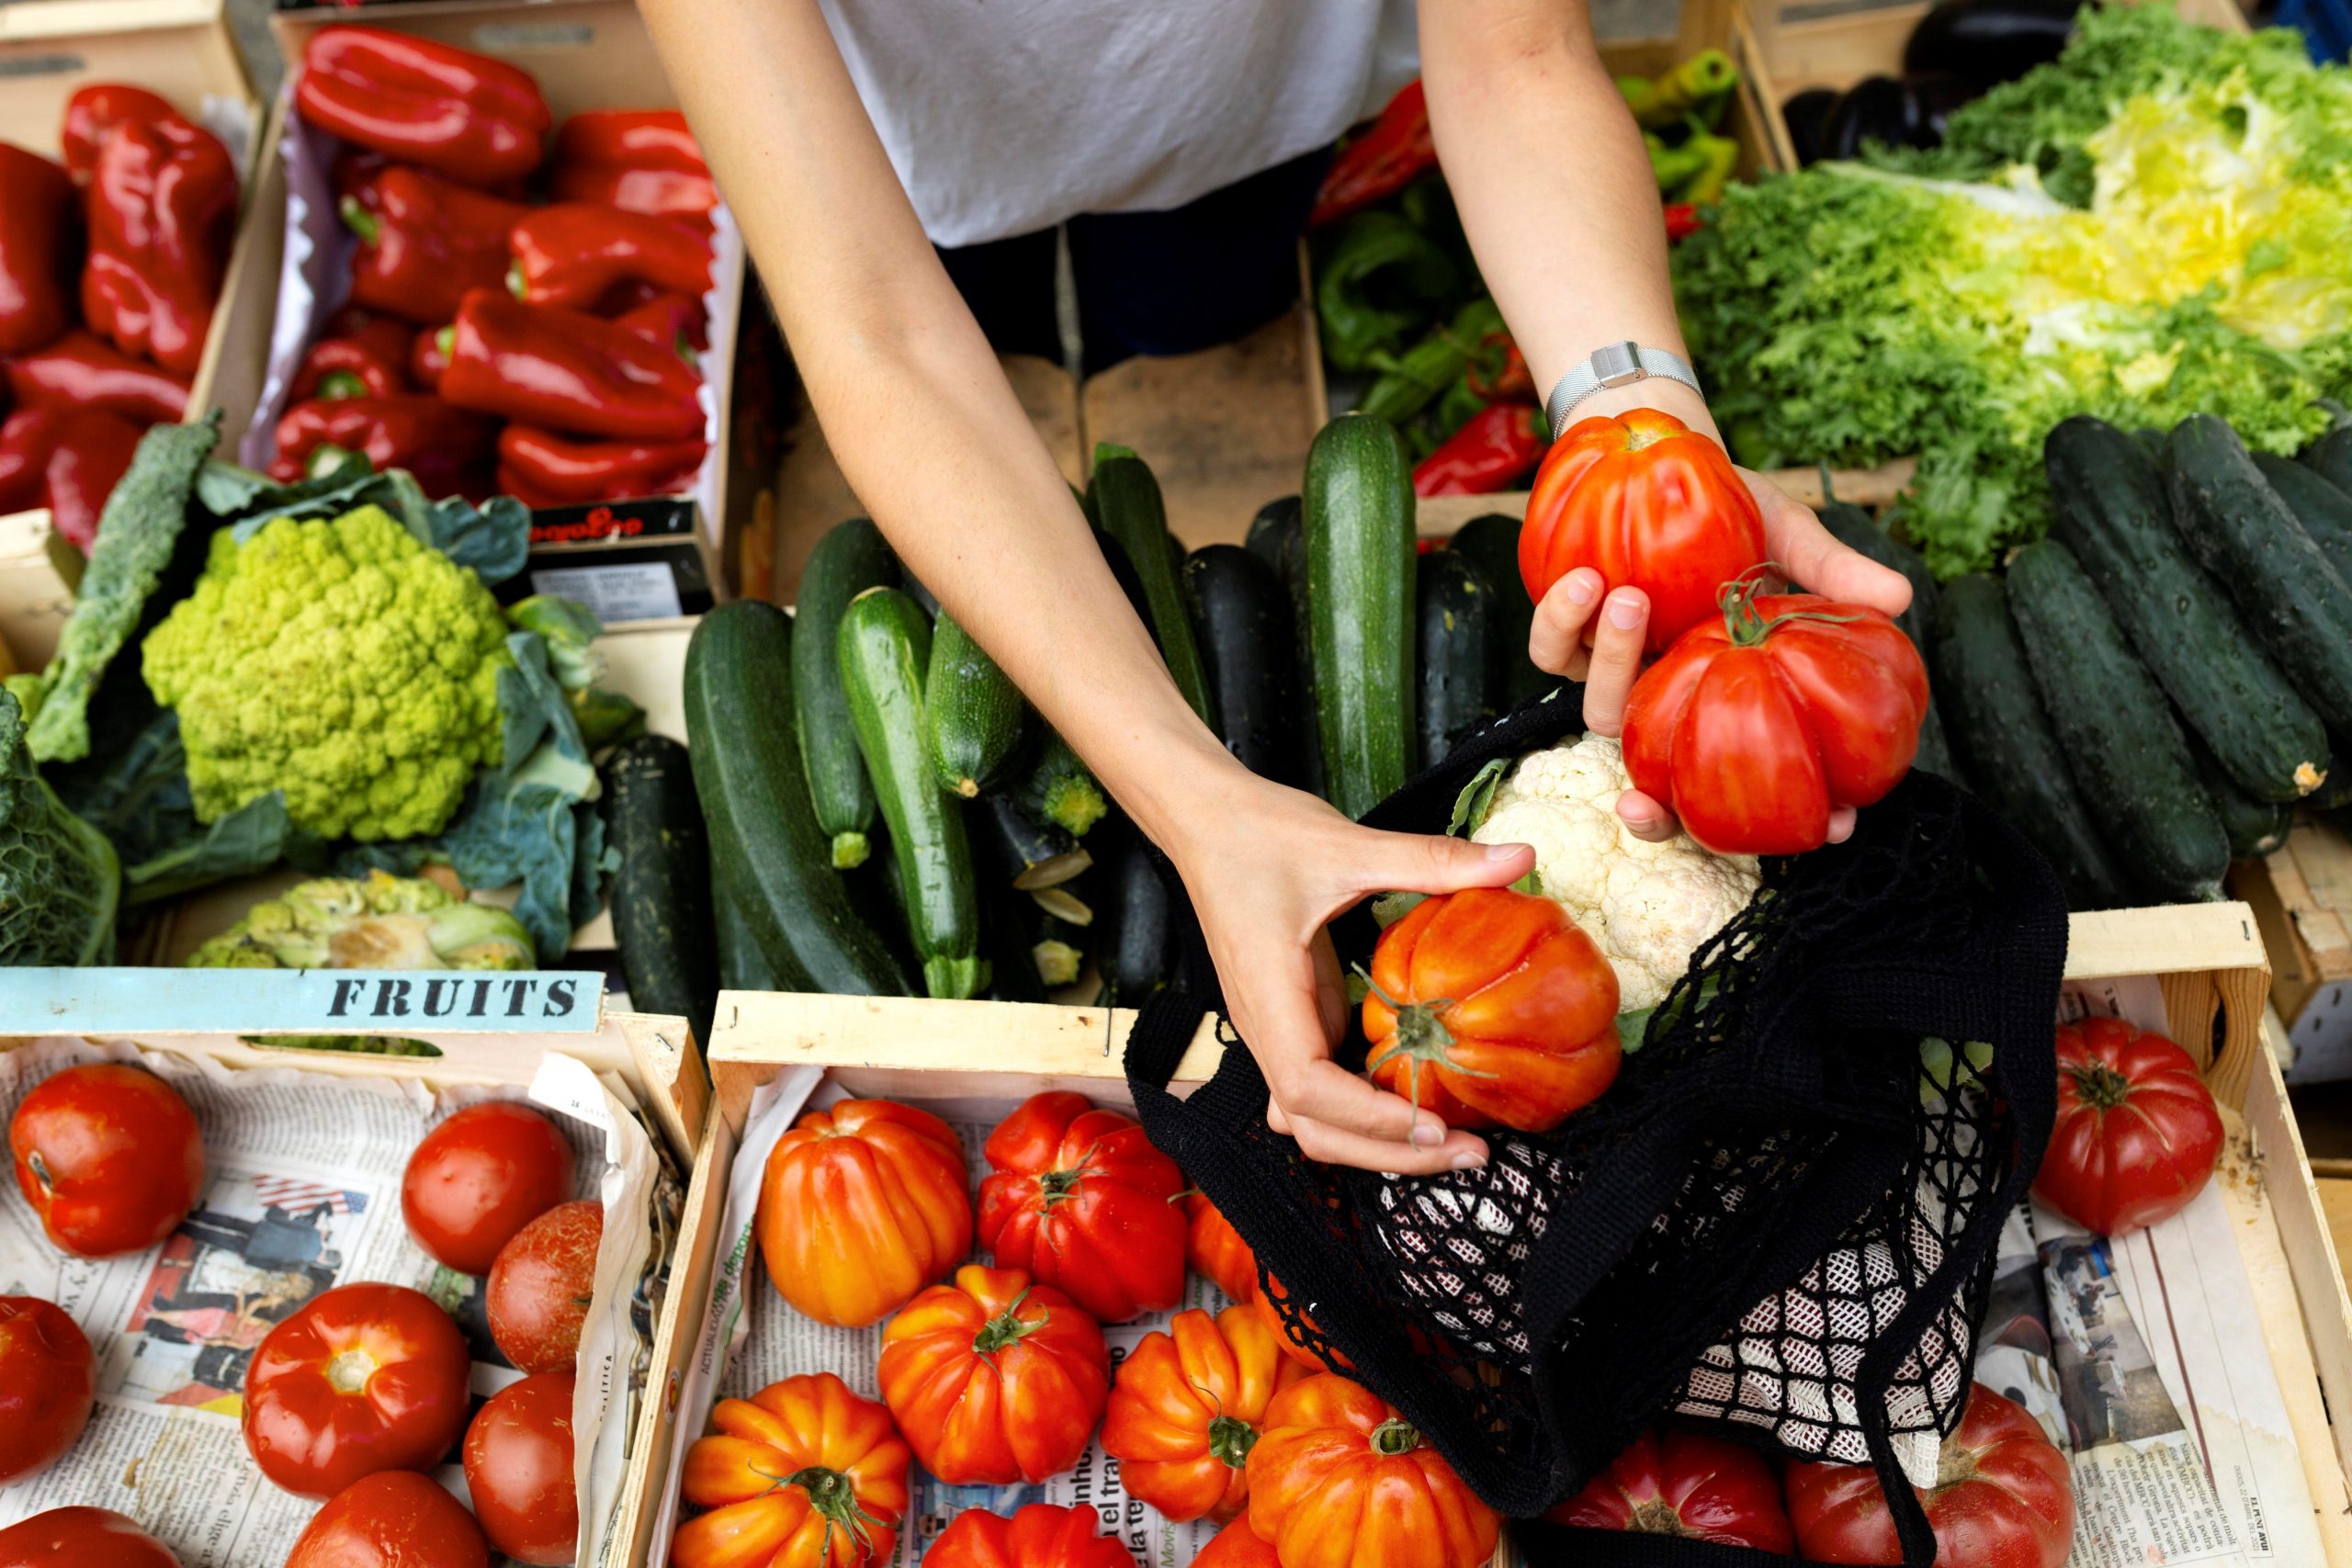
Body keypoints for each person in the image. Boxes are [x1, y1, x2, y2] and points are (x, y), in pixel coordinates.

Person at [641, 0, 1910, 1177]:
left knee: (1196, 292)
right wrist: (1196, 806)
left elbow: (1517, 61)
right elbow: (880, 326)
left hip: (1243, 106)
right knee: (974, 288)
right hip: (902, 133)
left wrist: (1642, 435)